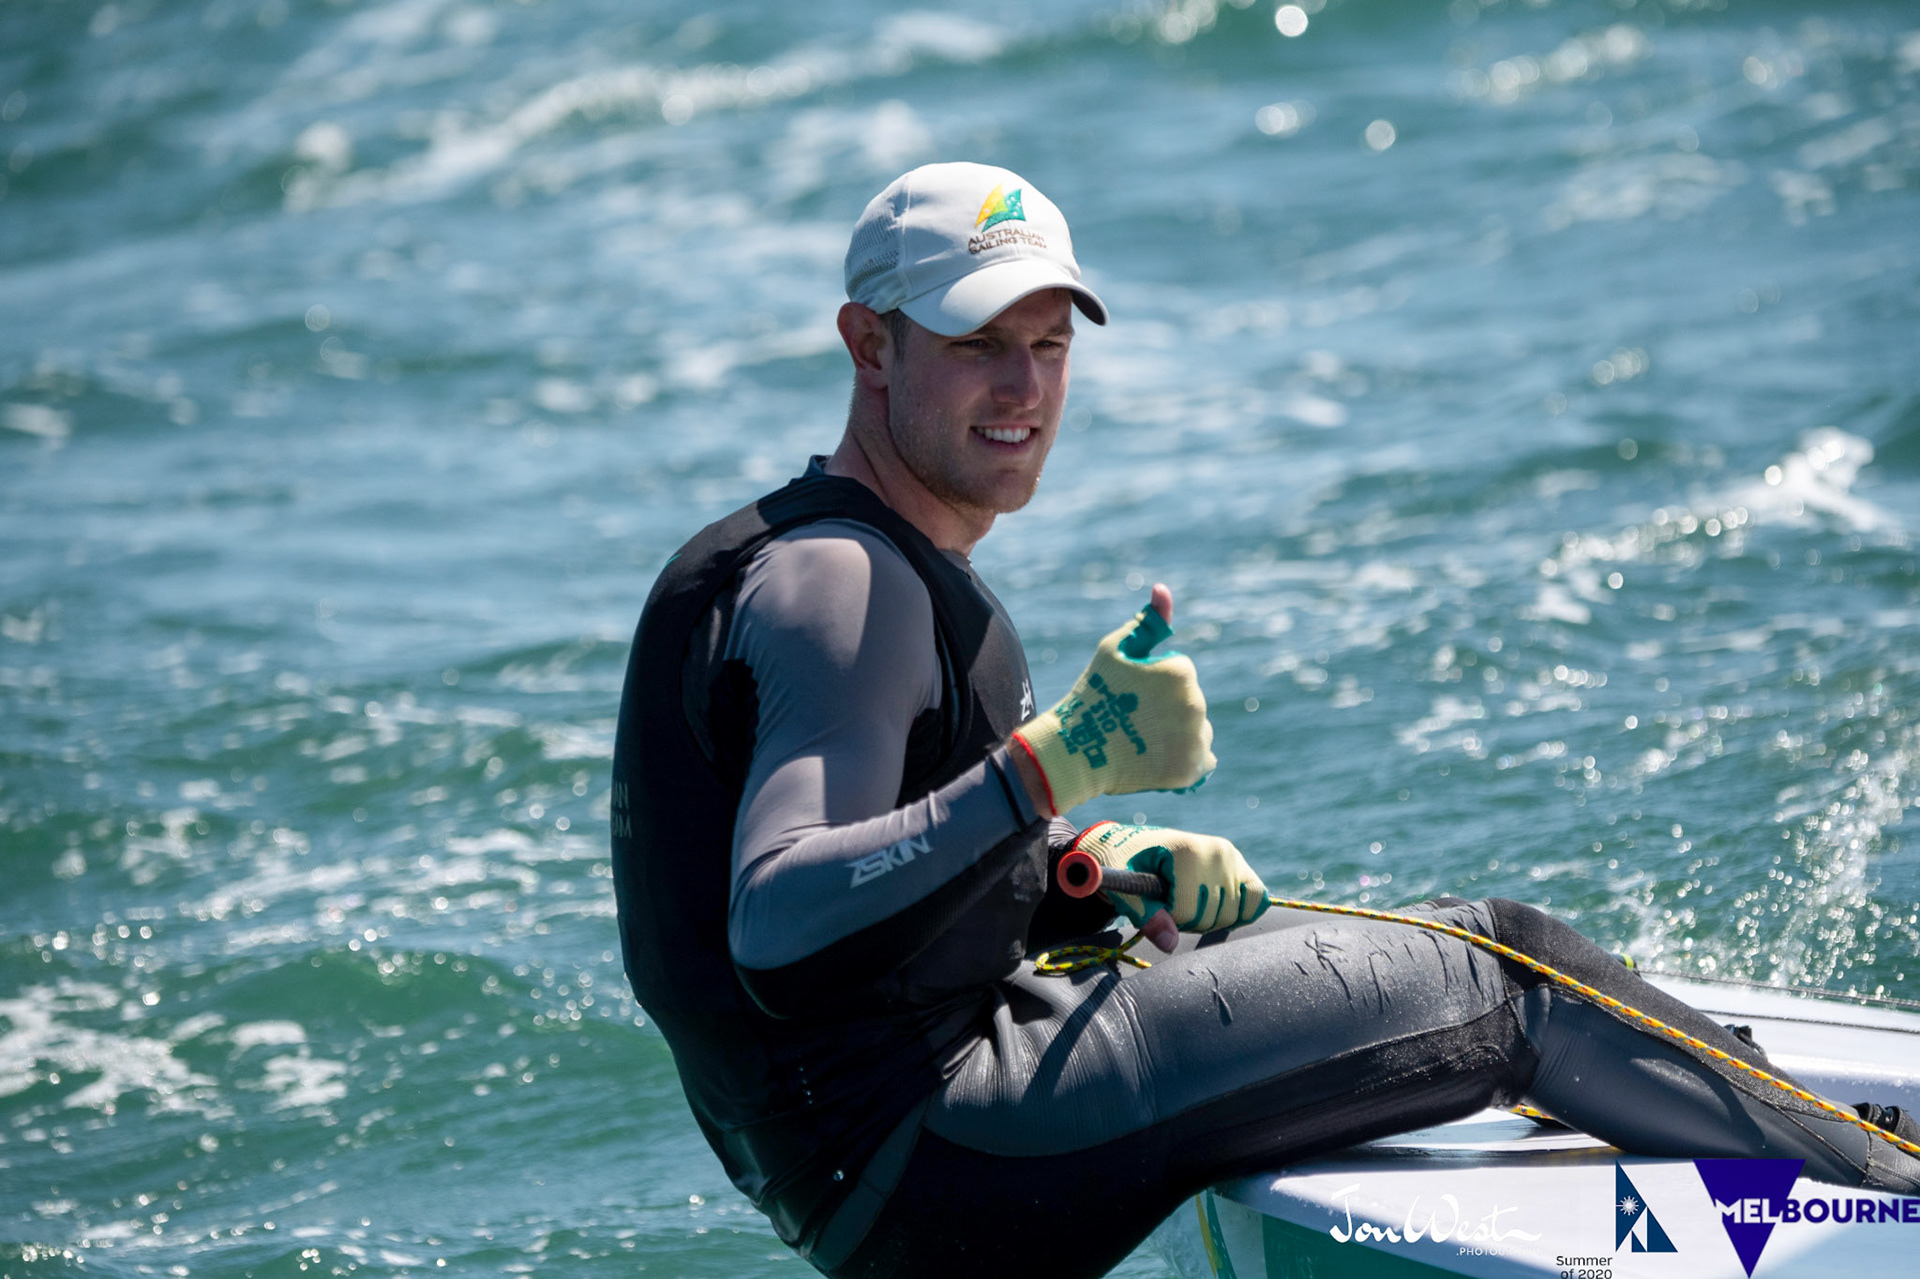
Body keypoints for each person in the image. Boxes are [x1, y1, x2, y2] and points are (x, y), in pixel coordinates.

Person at [609, 162, 1920, 1279]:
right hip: (948, 1146)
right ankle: (1884, 1191)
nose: (1023, 384)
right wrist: (1051, 767)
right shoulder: (842, 585)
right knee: (1506, 974)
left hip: (874, 1175)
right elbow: (780, 922)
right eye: (975, 342)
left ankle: (1747, 1115)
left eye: (1050, 344)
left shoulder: (809, 559)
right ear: (868, 344)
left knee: (1387, 945)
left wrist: (1080, 868)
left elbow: (876, 894)